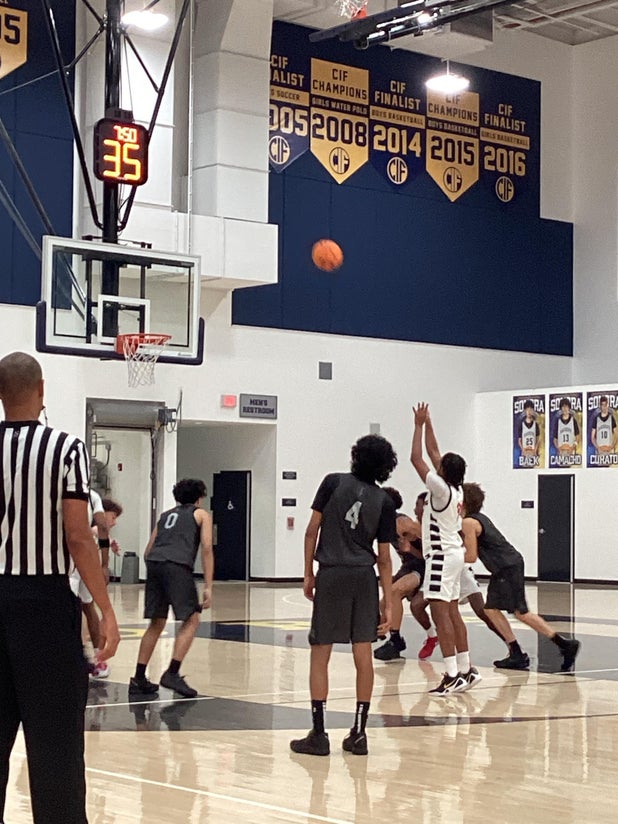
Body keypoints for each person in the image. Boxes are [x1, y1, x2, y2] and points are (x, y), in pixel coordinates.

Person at [0, 351, 120, 824]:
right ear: (41, 390)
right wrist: (105, 608)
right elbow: (77, 534)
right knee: (56, 748)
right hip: (45, 606)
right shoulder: (65, 448)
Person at [290, 434, 397, 757]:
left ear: (356, 456)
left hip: (332, 573)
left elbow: (311, 531)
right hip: (364, 577)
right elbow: (385, 558)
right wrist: (388, 602)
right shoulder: (385, 501)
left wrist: (308, 573)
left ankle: (319, 733)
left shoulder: (333, 482)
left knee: (320, 652)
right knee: (363, 654)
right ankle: (360, 733)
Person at [461, 482, 580, 671]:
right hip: (509, 564)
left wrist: (447, 557)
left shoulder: (468, 523)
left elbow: (471, 556)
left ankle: (527, 651)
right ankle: (559, 645)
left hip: (505, 567)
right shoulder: (479, 518)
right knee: (512, 611)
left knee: (501, 610)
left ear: (463, 502)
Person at [410, 402, 480, 695]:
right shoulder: (457, 489)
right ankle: (466, 669)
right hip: (454, 555)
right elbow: (434, 451)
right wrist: (428, 422)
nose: (436, 464)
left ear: (443, 472)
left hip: (440, 557)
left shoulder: (439, 490)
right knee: (452, 613)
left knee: (441, 616)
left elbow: (417, 458)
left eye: (439, 465)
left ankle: (451, 675)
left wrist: (417, 426)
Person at [130, 478, 213, 699]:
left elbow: (148, 550)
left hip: (155, 563)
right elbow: (206, 547)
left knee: (156, 622)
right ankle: (172, 673)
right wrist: (208, 585)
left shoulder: (165, 516)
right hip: (177, 565)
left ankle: (138, 677)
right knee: (192, 618)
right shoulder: (201, 515)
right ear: (199, 498)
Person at [374, 489, 424, 661]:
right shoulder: (384, 523)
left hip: (423, 566)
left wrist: (411, 550)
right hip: (409, 566)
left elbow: (431, 549)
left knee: (395, 591)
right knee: (384, 602)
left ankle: (395, 641)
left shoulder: (403, 523)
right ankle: (392, 637)